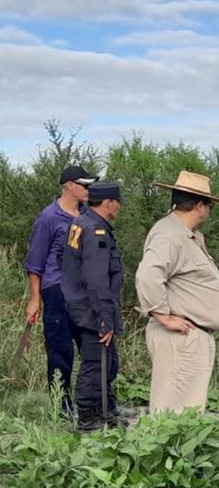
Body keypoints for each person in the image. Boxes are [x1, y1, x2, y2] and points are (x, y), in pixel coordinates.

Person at [135, 171, 219, 413]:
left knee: (187, 410)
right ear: (199, 206)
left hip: (190, 335)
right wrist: (163, 315)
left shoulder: (185, 235)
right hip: (180, 336)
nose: (208, 211)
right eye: (209, 205)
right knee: (174, 412)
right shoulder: (169, 235)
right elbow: (148, 275)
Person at [23, 164, 98, 412]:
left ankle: (90, 405)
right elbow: (35, 263)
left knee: (92, 348)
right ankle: (62, 409)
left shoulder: (88, 216)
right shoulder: (48, 218)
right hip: (57, 291)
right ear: (70, 186)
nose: (88, 190)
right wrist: (35, 299)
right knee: (60, 351)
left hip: (85, 292)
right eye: (85, 185)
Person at [60, 183, 125, 431]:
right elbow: (97, 279)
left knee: (108, 362)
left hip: (80, 304)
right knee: (96, 364)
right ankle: (89, 418)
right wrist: (105, 317)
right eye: (117, 202)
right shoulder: (95, 230)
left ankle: (105, 411)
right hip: (93, 309)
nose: (119, 207)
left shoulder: (81, 222)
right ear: (108, 203)